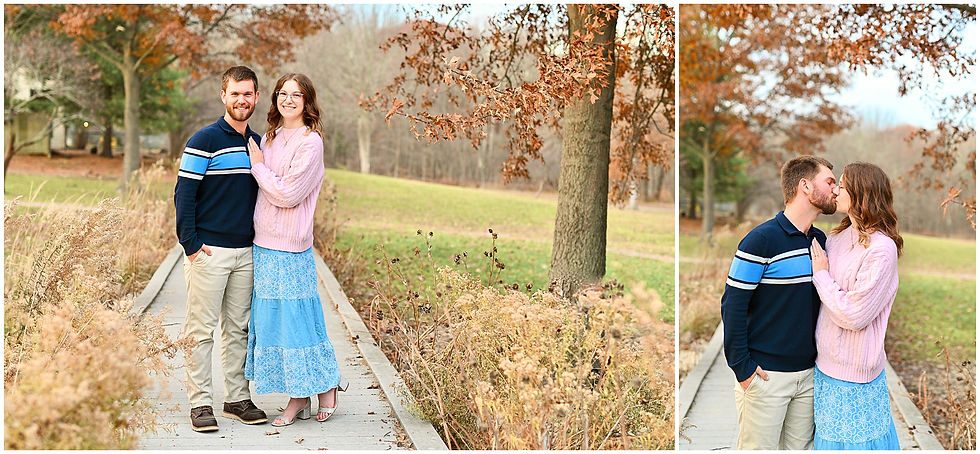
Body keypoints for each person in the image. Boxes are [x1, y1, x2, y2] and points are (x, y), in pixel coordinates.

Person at [244, 73, 346, 427]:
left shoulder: (310, 142)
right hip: (263, 243)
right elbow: (269, 189)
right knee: (273, 323)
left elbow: (288, 194)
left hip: (290, 247)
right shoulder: (269, 137)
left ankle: (302, 394)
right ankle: (321, 386)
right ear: (274, 99)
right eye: (282, 93)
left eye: (296, 95)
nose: (288, 99)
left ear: (307, 101)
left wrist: (257, 167)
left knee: (297, 322)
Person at [720, 155, 839, 449]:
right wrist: (742, 368)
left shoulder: (820, 241)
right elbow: (732, 305)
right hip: (766, 377)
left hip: (810, 377)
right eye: (830, 182)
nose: (836, 190)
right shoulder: (760, 240)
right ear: (805, 186)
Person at [174, 66, 268, 432]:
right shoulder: (204, 140)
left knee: (238, 329)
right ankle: (199, 404)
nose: (241, 100)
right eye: (235, 94)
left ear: (257, 97)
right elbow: (184, 195)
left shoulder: (257, 144)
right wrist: (191, 245)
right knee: (200, 331)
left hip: (246, 252)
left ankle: (236, 398)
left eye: (248, 94)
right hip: (208, 252)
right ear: (223, 96)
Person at [809, 162, 902, 450]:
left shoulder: (881, 249)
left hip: (856, 377)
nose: (835, 190)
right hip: (823, 368)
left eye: (842, 186)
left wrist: (821, 275)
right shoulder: (836, 238)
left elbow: (854, 314)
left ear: (861, 194)